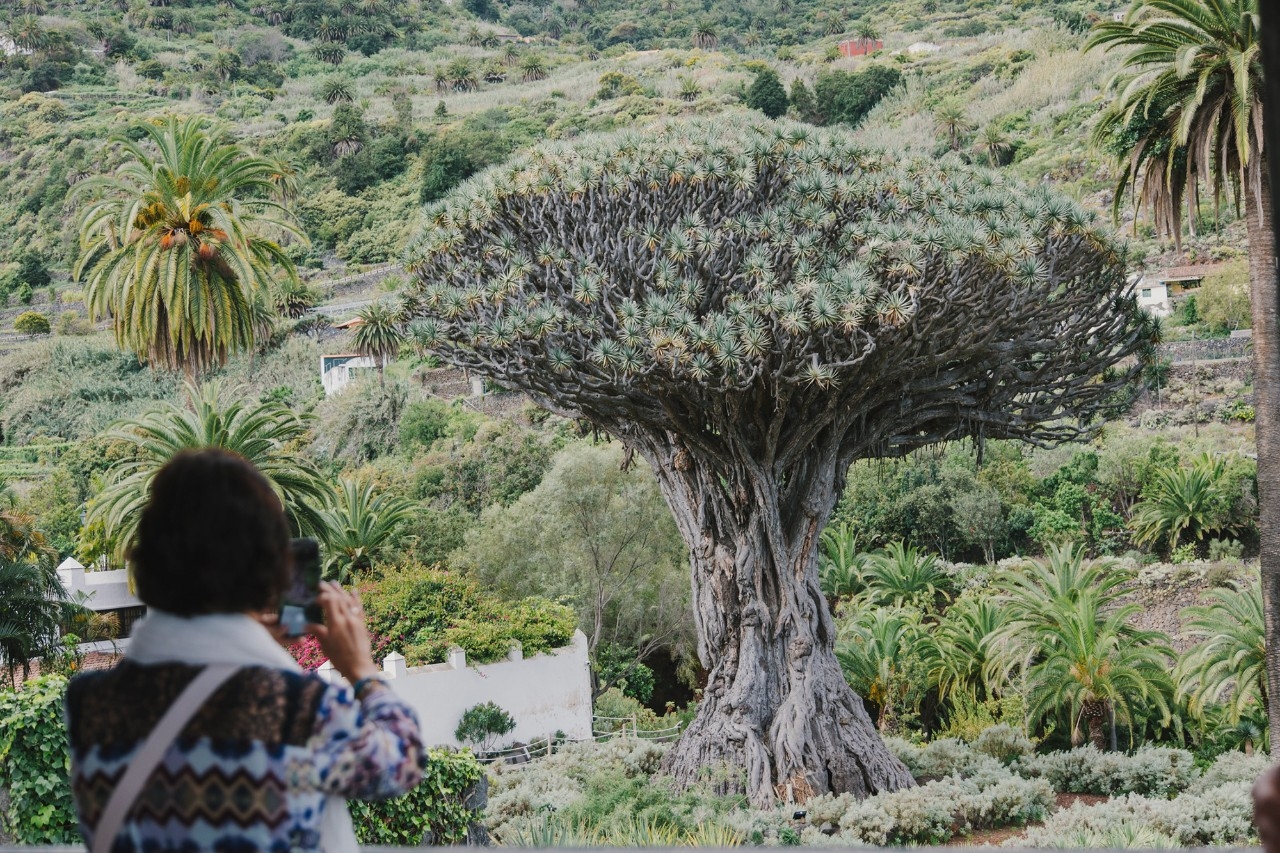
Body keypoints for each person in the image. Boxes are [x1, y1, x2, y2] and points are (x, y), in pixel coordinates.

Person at [64, 448, 424, 853]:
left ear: (147, 562)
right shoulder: (299, 710)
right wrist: (361, 669)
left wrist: (245, 652)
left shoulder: (90, 705)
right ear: (271, 572)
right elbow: (402, 762)